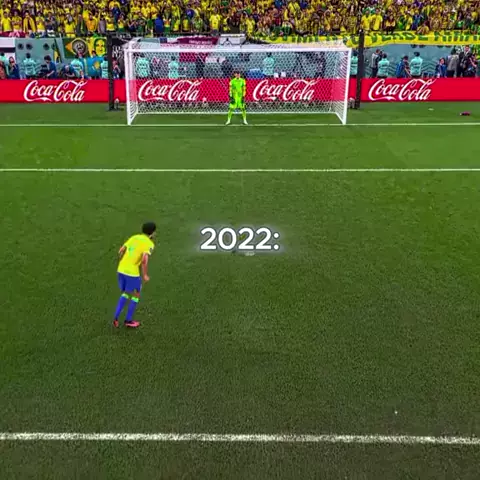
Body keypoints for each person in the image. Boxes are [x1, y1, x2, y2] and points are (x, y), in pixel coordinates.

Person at [114, 222, 156, 328]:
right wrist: (145, 275)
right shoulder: (149, 244)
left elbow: (121, 250)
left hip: (121, 269)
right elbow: (144, 260)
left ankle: (116, 317)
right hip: (132, 273)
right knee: (136, 294)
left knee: (125, 293)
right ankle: (128, 320)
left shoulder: (134, 237)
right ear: (152, 233)